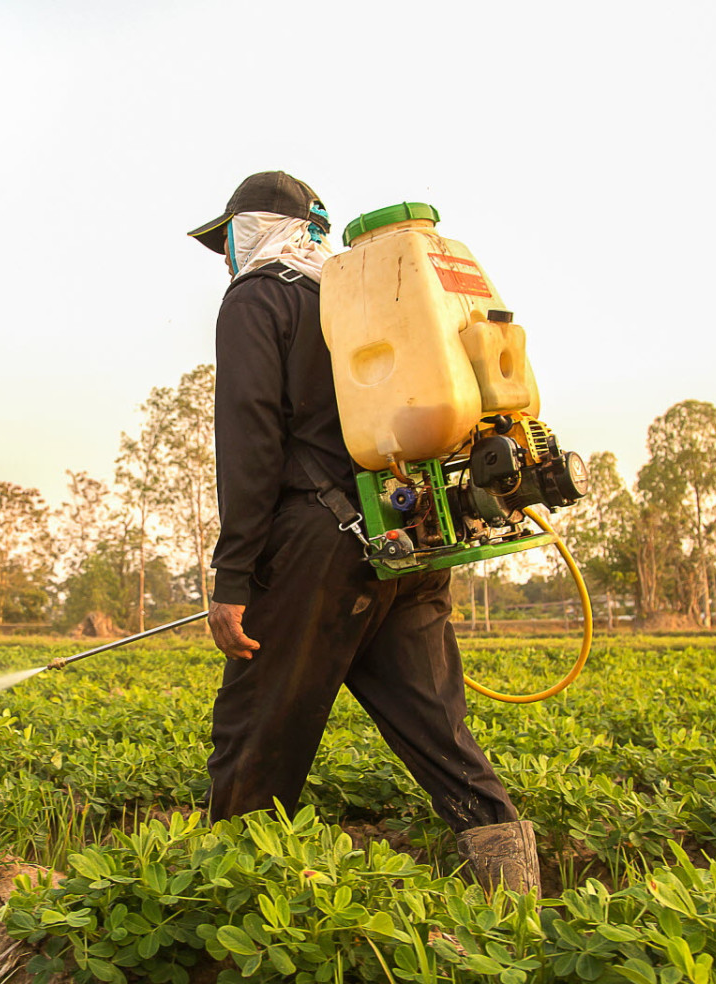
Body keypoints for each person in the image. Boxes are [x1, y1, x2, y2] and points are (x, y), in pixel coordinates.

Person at [186, 171, 539, 893]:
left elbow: (250, 442)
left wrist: (234, 579)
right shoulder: (369, 301)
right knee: (439, 733)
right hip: (408, 538)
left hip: (316, 548)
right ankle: (518, 905)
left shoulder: (260, 297)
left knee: (255, 733)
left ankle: (224, 912)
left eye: (225, 240)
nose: (223, 257)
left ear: (249, 232)